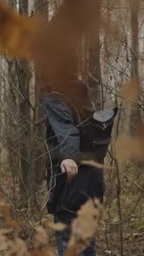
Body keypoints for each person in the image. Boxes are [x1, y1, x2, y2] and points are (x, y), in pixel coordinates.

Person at [42, 79, 104, 256]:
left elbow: (68, 131)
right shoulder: (85, 100)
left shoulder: (55, 98)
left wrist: (69, 158)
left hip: (71, 184)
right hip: (93, 183)